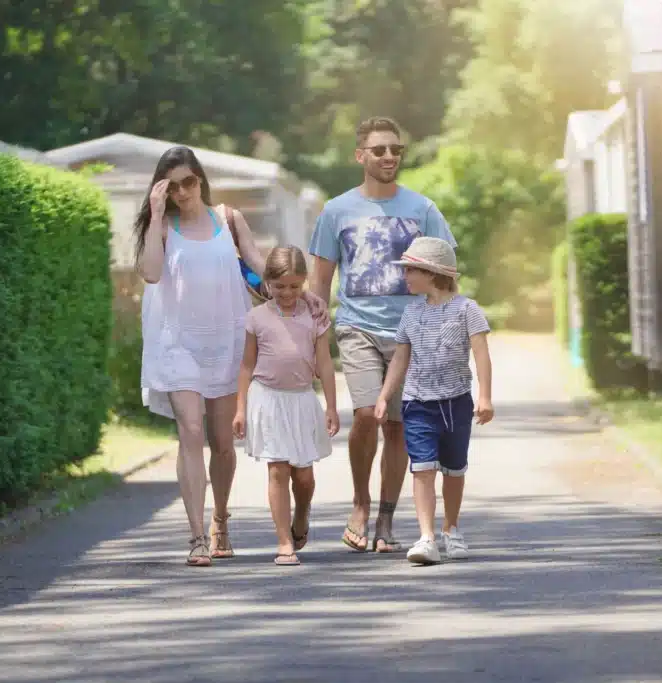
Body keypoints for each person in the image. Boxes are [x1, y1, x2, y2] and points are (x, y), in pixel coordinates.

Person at [134, 145, 327, 567]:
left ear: (200, 179)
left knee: (223, 442)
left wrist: (303, 296)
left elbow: (262, 271)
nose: (184, 192)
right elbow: (150, 273)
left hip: (226, 341)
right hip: (178, 342)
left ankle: (220, 517)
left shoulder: (228, 219)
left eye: (189, 182)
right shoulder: (163, 226)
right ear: (164, 190)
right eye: (174, 186)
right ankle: (197, 536)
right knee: (191, 432)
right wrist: (152, 212)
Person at [308, 116, 458, 554]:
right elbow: (320, 284)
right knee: (366, 415)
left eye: (396, 149)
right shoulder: (337, 211)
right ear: (361, 156)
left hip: (410, 333)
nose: (389, 156)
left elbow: (446, 274)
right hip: (357, 326)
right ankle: (359, 502)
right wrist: (312, 340)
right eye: (379, 150)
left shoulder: (423, 209)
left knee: (397, 427)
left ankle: (387, 516)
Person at [374, 237, 494, 565]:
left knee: (454, 469)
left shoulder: (467, 310)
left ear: (432, 272)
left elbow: (482, 355)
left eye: (411, 270)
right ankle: (426, 537)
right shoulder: (411, 313)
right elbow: (400, 358)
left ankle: (451, 528)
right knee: (423, 468)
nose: (406, 276)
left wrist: (484, 396)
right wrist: (385, 396)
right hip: (418, 403)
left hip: (456, 401)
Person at [233, 246, 340, 566]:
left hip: (302, 399)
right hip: (267, 399)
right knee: (277, 469)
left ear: (304, 283)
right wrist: (240, 408)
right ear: (267, 283)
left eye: (295, 286)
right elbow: (246, 366)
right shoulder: (256, 318)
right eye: (279, 286)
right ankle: (283, 542)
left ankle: (302, 514)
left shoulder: (314, 317)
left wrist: (331, 407)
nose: (287, 293)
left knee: (303, 476)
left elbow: (325, 363)